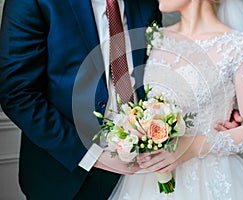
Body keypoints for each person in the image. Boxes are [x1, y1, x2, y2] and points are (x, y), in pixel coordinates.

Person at [109, 0, 243, 199]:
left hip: (213, 176)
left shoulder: (238, 46)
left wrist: (193, 146)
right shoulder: (156, 37)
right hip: (149, 180)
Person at [0, 0, 162, 199]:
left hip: (142, 172)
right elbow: (17, 93)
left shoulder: (146, 4)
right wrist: (94, 156)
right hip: (65, 174)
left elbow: (156, 70)